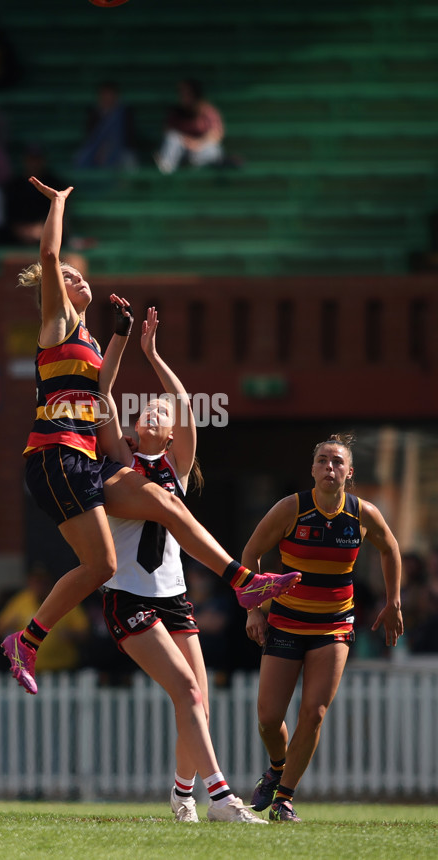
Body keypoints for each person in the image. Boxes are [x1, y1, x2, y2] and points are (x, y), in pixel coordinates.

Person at [0, 177, 301, 699]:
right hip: (55, 457)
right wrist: (57, 205)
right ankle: (27, 640)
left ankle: (242, 581)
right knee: (103, 566)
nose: (74, 277)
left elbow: (103, 388)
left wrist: (120, 335)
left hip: (85, 460)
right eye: (70, 277)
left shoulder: (88, 339)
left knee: (163, 502)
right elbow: (49, 255)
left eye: (77, 274)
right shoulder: (55, 325)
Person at [96, 303, 267, 824]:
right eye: (146, 409)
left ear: (170, 435)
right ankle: (222, 801)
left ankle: (181, 796)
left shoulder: (179, 469)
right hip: (128, 595)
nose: (153, 411)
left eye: (161, 414)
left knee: (199, 705)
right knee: (189, 692)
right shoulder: (122, 465)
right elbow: (102, 393)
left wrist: (153, 353)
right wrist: (123, 342)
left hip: (173, 596)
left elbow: (184, 401)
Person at [243, 433, 404, 822]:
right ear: (312, 469)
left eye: (336, 462)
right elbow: (251, 553)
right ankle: (277, 766)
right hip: (284, 620)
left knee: (314, 713)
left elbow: (390, 548)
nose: (329, 467)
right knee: (268, 718)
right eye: (322, 461)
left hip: (333, 625)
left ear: (349, 472)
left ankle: (284, 799)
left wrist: (393, 601)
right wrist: (255, 609)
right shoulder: (290, 509)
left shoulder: (362, 513)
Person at [154, 79, 225, 174]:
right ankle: (166, 171)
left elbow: (216, 135)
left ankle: (192, 165)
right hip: (181, 151)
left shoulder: (208, 111)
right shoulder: (175, 112)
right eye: (181, 93)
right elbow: (168, 132)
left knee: (214, 150)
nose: (184, 97)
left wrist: (197, 144)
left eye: (187, 93)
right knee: (172, 138)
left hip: (200, 151)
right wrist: (187, 142)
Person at [74, 81, 138, 171]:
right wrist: (101, 148)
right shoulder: (94, 113)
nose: (107, 98)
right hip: (97, 149)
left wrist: (111, 147)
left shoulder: (125, 113)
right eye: (105, 95)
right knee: (81, 158)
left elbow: (128, 136)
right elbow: (91, 137)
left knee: (129, 161)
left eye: (110, 95)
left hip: (121, 150)